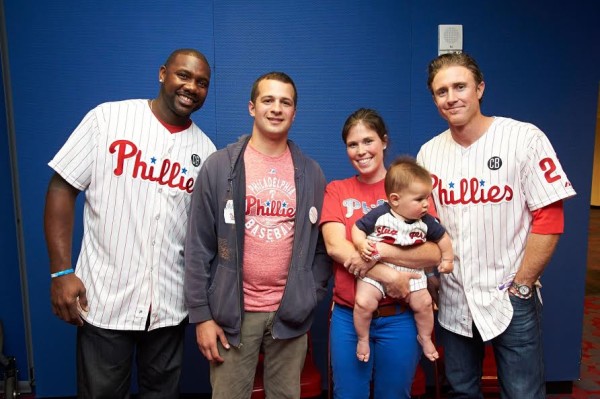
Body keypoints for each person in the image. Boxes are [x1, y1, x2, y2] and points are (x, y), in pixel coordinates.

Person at [44, 48, 216, 398]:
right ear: (163, 73)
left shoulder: (206, 151)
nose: (191, 87)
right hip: (105, 299)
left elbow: (202, 237)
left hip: (168, 306)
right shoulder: (108, 119)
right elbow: (62, 188)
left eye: (201, 83)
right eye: (183, 75)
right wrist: (61, 272)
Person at [417, 52, 577, 398]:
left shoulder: (524, 138)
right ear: (434, 99)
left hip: (510, 294)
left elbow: (550, 217)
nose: (451, 97)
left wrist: (522, 286)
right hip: (455, 297)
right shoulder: (428, 154)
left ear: (480, 88)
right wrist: (431, 276)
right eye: (441, 91)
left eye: (460, 86)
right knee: (461, 390)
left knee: (522, 392)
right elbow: (428, 226)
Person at [184, 71, 331, 399]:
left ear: (294, 112)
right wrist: (202, 316)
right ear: (252, 107)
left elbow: (321, 246)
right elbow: (197, 247)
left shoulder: (311, 173)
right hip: (232, 315)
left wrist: (309, 293)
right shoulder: (219, 167)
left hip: (290, 313)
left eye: (285, 102)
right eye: (268, 100)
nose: (276, 108)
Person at [320, 108, 442, 399]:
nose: (361, 151)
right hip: (349, 316)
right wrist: (389, 274)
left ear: (384, 141)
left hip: (400, 316)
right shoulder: (337, 190)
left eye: (368, 141)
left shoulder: (413, 188)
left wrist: (382, 250)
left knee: (395, 394)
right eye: (353, 144)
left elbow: (433, 252)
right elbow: (337, 247)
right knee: (348, 394)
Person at [351, 155, 454, 363]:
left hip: (412, 269)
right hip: (377, 267)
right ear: (395, 199)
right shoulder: (380, 214)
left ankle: (424, 337)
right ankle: (362, 338)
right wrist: (361, 244)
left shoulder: (426, 221)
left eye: (427, 197)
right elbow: (357, 228)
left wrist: (448, 259)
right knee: (363, 303)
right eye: (419, 199)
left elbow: (443, 238)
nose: (426, 204)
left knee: (424, 303)